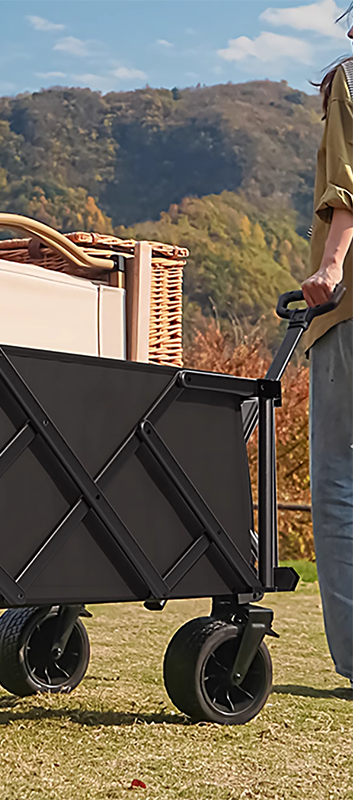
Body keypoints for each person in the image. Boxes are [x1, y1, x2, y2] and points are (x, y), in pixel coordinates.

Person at [301, 6, 353, 691]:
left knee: (340, 482)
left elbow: (349, 185)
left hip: (351, 313)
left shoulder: (351, 80)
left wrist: (333, 264)